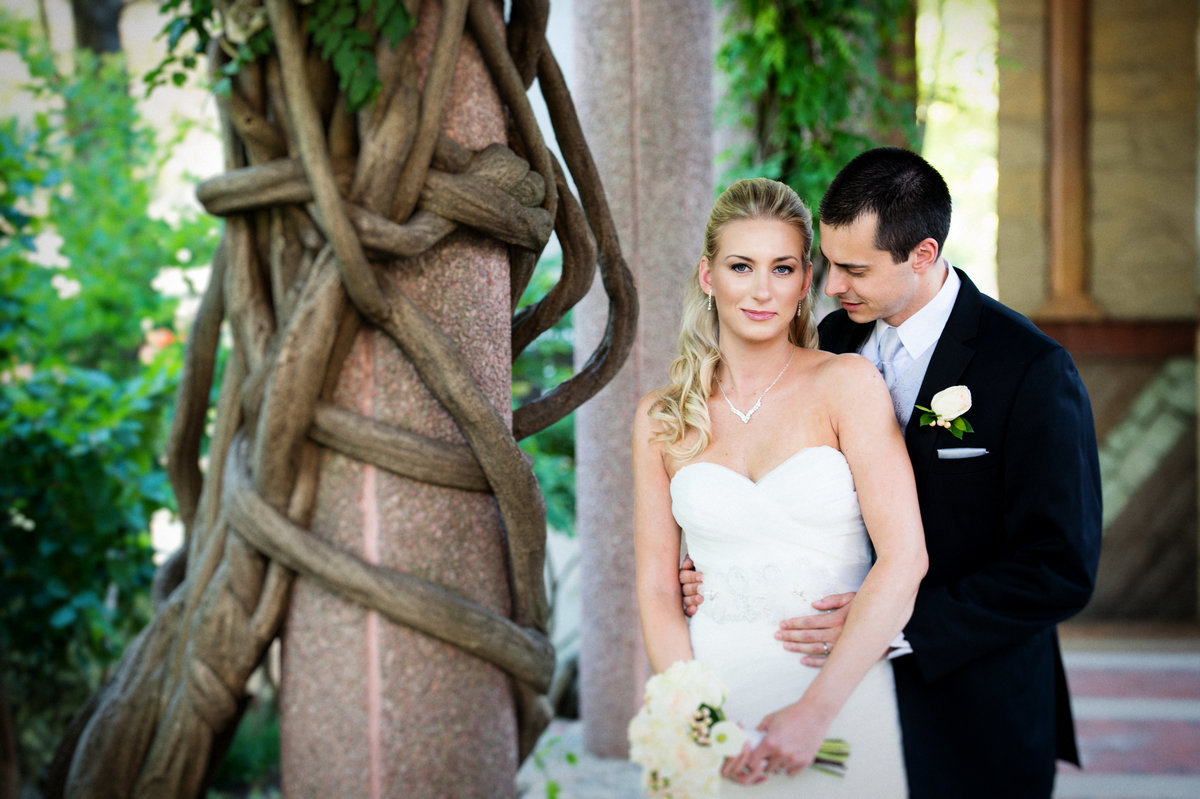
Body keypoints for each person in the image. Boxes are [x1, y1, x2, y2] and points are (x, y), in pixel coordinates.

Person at [680, 147, 1103, 798]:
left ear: (923, 256)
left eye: (854, 270)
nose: (831, 287)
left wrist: (899, 625)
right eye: (829, 263)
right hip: (833, 694)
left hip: (973, 701)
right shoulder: (836, 340)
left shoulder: (1030, 370)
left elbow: (1059, 567)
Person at [633, 177, 928, 795]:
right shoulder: (661, 416)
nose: (762, 290)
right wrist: (703, 722)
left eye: (783, 268)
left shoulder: (847, 384)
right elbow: (658, 590)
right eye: (741, 266)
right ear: (708, 277)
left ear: (805, 280)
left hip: (837, 691)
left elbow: (904, 559)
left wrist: (813, 715)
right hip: (715, 694)